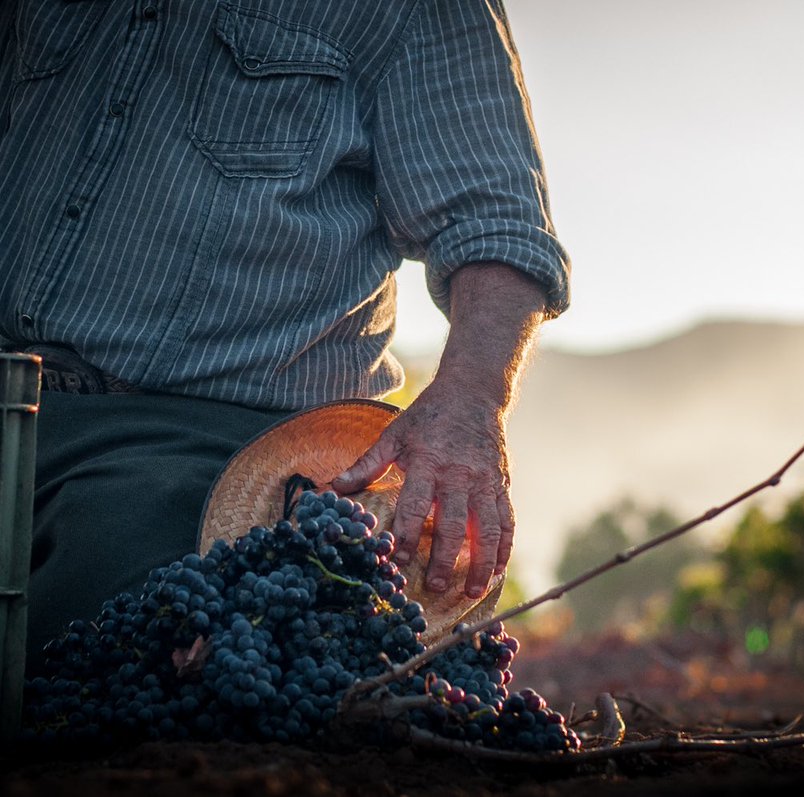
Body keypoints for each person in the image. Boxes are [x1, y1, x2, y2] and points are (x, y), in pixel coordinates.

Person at [0, 1, 569, 667]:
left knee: (131, 643)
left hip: (208, 447)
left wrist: (472, 402)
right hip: (16, 392)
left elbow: (497, 228)